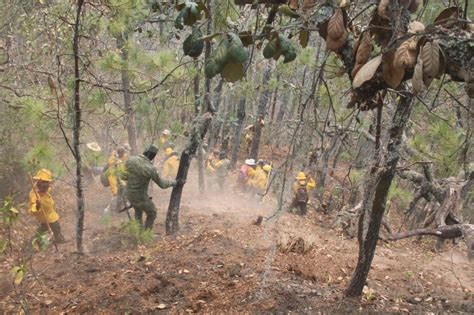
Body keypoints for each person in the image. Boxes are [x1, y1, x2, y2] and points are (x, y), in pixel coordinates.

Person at [122, 144, 178, 231]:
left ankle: (139, 233)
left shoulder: (131, 160)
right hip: (140, 197)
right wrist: (174, 183)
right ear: (153, 156)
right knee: (152, 213)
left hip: (129, 194)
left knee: (138, 212)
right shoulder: (150, 169)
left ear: (145, 151)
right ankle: (146, 233)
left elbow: (123, 176)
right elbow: (162, 184)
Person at [28, 169, 66, 243]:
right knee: (38, 236)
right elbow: (32, 208)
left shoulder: (47, 190)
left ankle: (60, 241)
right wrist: (37, 205)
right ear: (38, 182)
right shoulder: (34, 194)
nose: (44, 184)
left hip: (53, 218)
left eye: (46, 182)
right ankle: (36, 244)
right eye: (43, 182)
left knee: (58, 235)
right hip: (43, 220)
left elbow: (48, 189)